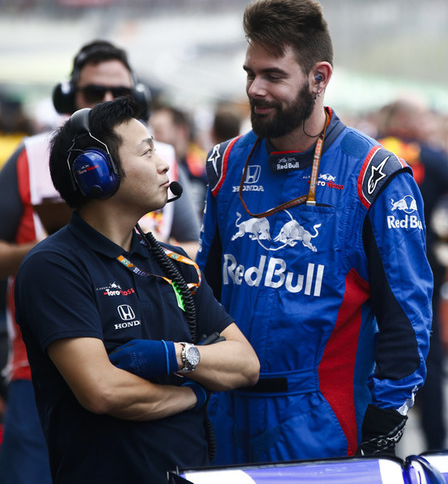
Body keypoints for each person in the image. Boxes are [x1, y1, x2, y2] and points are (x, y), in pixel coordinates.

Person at [196, 0, 433, 463]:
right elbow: (207, 289)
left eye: (273, 75)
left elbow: (406, 317)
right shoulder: (225, 164)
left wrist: (386, 419)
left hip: (320, 419)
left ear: (319, 78)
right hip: (224, 409)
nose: (255, 89)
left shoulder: (376, 175)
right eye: (250, 73)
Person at [13, 97, 260, 483]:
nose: (164, 164)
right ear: (97, 173)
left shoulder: (174, 262)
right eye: (148, 152)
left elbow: (246, 364)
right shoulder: (54, 266)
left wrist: (176, 356)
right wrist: (194, 395)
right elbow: (103, 391)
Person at [0, 39, 201, 484]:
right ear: (69, 95)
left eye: (121, 96)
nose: (108, 103)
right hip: (39, 363)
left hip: (155, 358)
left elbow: (194, 246)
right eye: (95, 94)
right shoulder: (29, 157)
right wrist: (73, 257)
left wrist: (136, 255)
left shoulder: (162, 158)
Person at [377, 97, 448, 451]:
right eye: (422, 116)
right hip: (420, 264)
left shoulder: (366, 150)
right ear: (405, 119)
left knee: (377, 353)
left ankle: (382, 448)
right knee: (425, 352)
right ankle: (437, 448)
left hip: (372, 268)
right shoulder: (428, 156)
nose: (428, 122)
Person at [149, 104, 208, 219]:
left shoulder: (200, 170)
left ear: (181, 131)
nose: (152, 139)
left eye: (158, 131)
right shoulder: (150, 168)